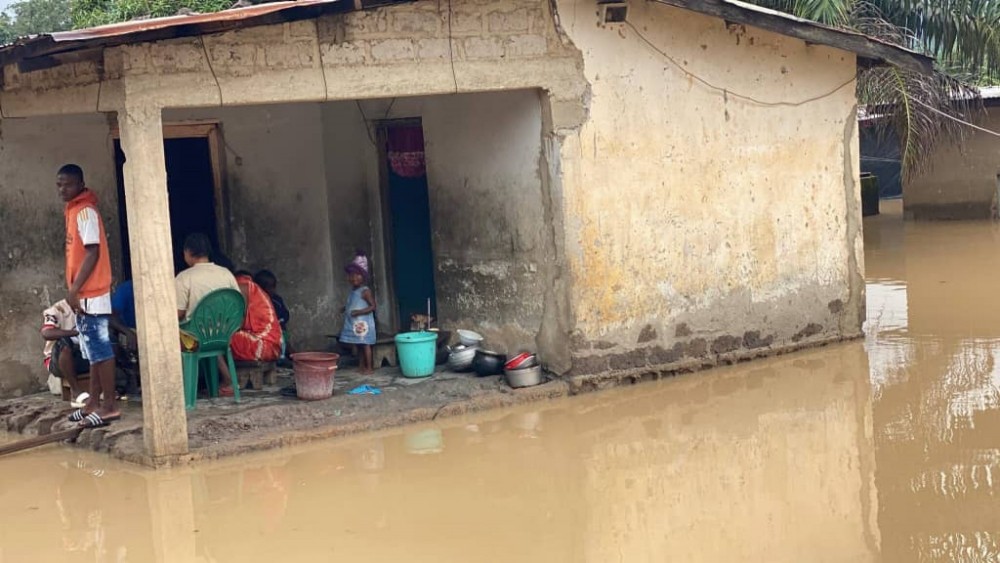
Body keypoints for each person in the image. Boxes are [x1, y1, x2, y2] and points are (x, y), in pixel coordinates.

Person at [59, 164, 118, 428]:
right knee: (93, 351)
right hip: (84, 293)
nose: (63, 189)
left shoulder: (85, 211)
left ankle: (110, 406)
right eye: (59, 184)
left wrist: (74, 290)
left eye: (68, 184)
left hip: (92, 293)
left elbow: (93, 252)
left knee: (101, 350)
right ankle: (93, 402)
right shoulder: (72, 210)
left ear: (81, 184)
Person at [216, 271, 283, 396]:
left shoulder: (242, 287)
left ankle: (228, 381)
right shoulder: (250, 287)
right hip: (272, 344)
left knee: (214, 338)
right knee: (217, 335)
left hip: (263, 344)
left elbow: (237, 322)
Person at [175, 233, 239, 321]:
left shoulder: (184, 277)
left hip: (195, 329)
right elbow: (237, 304)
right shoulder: (226, 273)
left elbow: (178, 313)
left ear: (187, 252)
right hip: (225, 328)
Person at [41, 299, 89, 404]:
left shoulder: (90, 306)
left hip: (83, 357)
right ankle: (76, 391)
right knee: (64, 342)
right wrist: (76, 333)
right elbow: (46, 333)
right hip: (58, 362)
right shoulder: (57, 310)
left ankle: (114, 387)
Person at [340, 261, 377, 375]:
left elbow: (373, 306)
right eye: (351, 275)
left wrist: (359, 312)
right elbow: (353, 303)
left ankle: (369, 367)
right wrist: (344, 308)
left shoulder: (365, 291)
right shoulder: (353, 291)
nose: (354, 278)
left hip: (363, 325)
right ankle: (361, 365)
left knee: (365, 345)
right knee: (359, 344)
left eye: (357, 275)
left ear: (363, 277)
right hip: (355, 324)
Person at [254, 269, 292, 358]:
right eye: (268, 287)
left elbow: (286, 314)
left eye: (273, 287)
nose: (272, 290)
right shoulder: (256, 302)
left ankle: (286, 353)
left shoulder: (277, 300)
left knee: (284, 339)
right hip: (264, 333)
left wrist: (280, 320)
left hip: (280, 329)